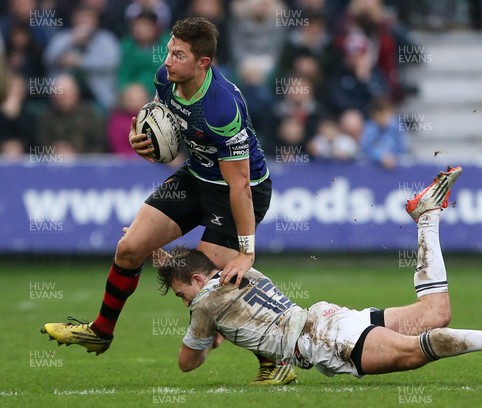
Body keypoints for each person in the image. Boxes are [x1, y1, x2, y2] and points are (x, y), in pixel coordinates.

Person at [42, 17, 294, 385]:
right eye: (169, 51)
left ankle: (274, 360)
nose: (168, 60)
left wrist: (246, 251)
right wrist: (139, 139)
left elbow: (238, 185)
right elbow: (158, 120)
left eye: (178, 54)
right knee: (130, 248)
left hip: (239, 192)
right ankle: (100, 331)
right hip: (195, 178)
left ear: (203, 62)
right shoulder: (166, 78)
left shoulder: (222, 108)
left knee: (211, 286)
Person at [154, 166, 482, 381]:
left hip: (323, 340)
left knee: (412, 352)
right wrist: (164, 259)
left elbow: (187, 363)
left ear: (195, 281)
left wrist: (205, 337)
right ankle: (427, 216)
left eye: (180, 295)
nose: (185, 302)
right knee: (436, 312)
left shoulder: (206, 303)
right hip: (327, 317)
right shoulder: (242, 271)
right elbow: (203, 268)